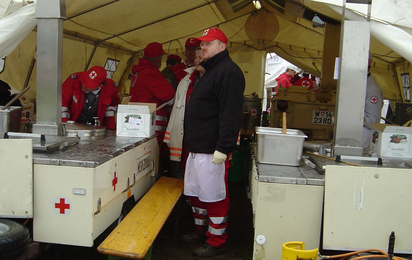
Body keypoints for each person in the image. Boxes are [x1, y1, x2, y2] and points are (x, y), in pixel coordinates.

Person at [181, 28, 245, 257]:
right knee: (197, 193)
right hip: (198, 147)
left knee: (215, 196)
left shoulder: (228, 72)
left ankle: (217, 240)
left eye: (209, 44)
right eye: (201, 45)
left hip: (212, 150)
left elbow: (231, 113)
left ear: (222, 47)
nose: (203, 48)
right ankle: (200, 230)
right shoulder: (210, 71)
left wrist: (223, 147)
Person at [129, 42, 175, 174]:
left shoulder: (139, 71)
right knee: (153, 159)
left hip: (138, 122)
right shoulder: (151, 72)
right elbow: (169, 94)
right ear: (157, 58)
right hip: (152, 125)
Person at [164, 48, 204, 179]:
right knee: (181, 171)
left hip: (204, 139)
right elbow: (176, 109)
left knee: (201, 176)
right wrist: (169, 135)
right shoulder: (185, 81)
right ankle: (184, 198)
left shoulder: (218, 80)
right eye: (196, 57)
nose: (197, 60)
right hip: (184, 136)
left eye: (201, 57)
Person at [362, 55, 383, 152]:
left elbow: (373, 119)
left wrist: (356, 117)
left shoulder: (372, 87)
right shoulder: (361, 83)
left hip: (363, 140)